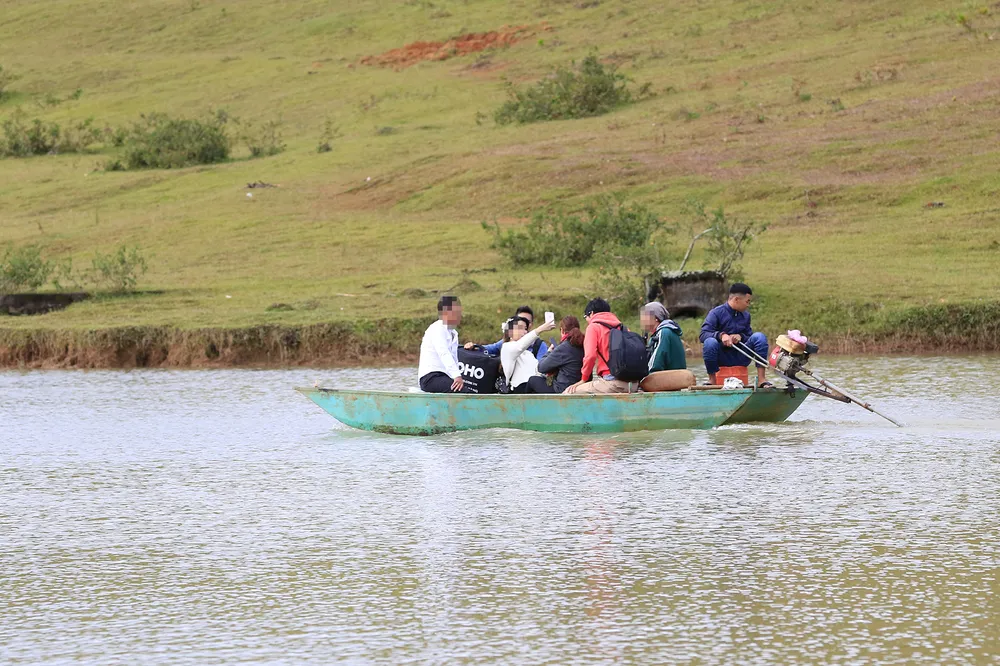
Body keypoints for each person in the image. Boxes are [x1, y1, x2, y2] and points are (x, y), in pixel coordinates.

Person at [699, 283, 771, 386]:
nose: (748, 305)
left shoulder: (746, 315)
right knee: (709, 342)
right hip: (721, 357)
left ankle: (761, 379)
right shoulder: (716, 313)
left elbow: (749, 336)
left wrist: (741, 336)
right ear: (737, 300)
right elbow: (703, 334)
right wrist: (721, 335)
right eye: (747, 301)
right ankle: (712, 380)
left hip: (740, 355)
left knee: (759, 337)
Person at [564, 298, 637, 395]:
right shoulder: (623, 328)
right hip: (632, 384)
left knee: (568, 393)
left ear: (591, 313)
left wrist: (583, 379)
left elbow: (590, 356)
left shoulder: (593, 327)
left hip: (612, 382)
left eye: (585, 317)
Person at [418, 295, 464, 393]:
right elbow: (444, 353)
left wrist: (457, 377)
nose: (460, 315)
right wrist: (457, 376)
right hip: (430, 378)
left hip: (444, 376)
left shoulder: (454, 333)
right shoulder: (437, 328)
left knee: (470, 389)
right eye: (456, 312)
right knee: (465, 392)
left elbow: (454, 359)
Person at [500, 315, 557, 393]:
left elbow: (538, 372)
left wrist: (549, 352)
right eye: (520, 328)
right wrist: (540, 329)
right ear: (510, 332)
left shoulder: (528, 354)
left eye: (526, 329)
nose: (525, 332)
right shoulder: (506, 348)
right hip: (520, 391)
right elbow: (519, 347)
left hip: (533, 389)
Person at [467, 305, 549, 360]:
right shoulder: (507, 343)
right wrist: (473, 346)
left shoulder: (539, 345)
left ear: (531, 325)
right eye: (519, 321)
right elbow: (488, 349)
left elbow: (541, 369)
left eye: (526, 322)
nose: (523, 324)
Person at [532, 315, 586, 394]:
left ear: (562, 330)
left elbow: (541, 367)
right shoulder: (583, 344)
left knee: (532, 381)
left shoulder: (564, 347)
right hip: (581, 386)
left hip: (563, 389)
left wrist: (549, 352)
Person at [640, 302, 687, 372]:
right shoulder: (659, 334)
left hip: (671, 379)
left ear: (656, 318)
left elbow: (656, 364)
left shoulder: (664, 332)